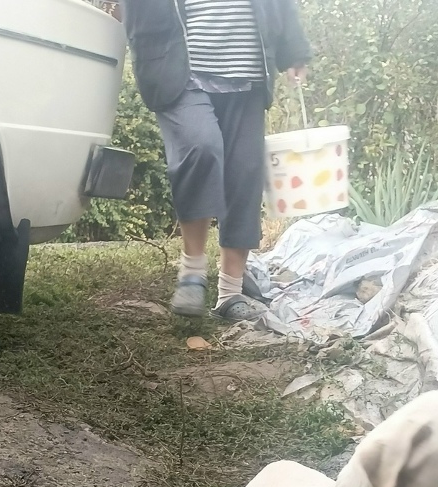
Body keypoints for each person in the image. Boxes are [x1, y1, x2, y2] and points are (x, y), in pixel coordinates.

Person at [122, 0, 312, 321]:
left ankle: (230, 291)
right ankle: (192, 272)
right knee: (201, 147)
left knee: (244, 174)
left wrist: (294, 51)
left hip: (247, 73)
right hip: (180, 69)